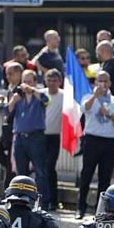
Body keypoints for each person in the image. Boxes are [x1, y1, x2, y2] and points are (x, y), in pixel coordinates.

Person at [76, 71, 114, 219]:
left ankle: (100, 210)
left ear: (109, 83)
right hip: (91, 139)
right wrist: (95, 96)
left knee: (105, 177)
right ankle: (81, 207)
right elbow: (84, 108)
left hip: (108, 140)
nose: (103, 84)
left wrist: (110, 114)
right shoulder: (89, 97)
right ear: (95, 82)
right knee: (86, 174)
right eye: (100, 81)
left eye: (105, 81)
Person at [7, 69, 50, 205]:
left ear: (35, 82)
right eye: (24, 82)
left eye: (29, 82)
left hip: (35, 137)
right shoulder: (18, 97)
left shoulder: (39, 95)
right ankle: (21, 201)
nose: (26, 85)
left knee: (40, 171)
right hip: (20, 137)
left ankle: (43, 203)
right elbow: (7, 112)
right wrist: (13, 100)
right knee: (21, 173)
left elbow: (46, 101)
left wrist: (32, 90)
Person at [0, 63, 22, 203]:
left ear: (19, 74)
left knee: (10, 164)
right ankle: (13, 169)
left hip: (15, 129)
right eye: (7, 74)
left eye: (11, 74)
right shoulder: (10, 89)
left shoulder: (20, 90)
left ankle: (6, 195)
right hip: (7, 129)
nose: (8, 77)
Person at [43, 69, 64, 211]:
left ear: (59, 82)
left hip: (54, 136)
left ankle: (53, 200)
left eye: (54, 81)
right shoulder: (41, 94)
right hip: (39, 135)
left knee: (50, 167)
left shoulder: (64, 96)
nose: (51, 83)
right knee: (40, 168)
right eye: (49, 80)